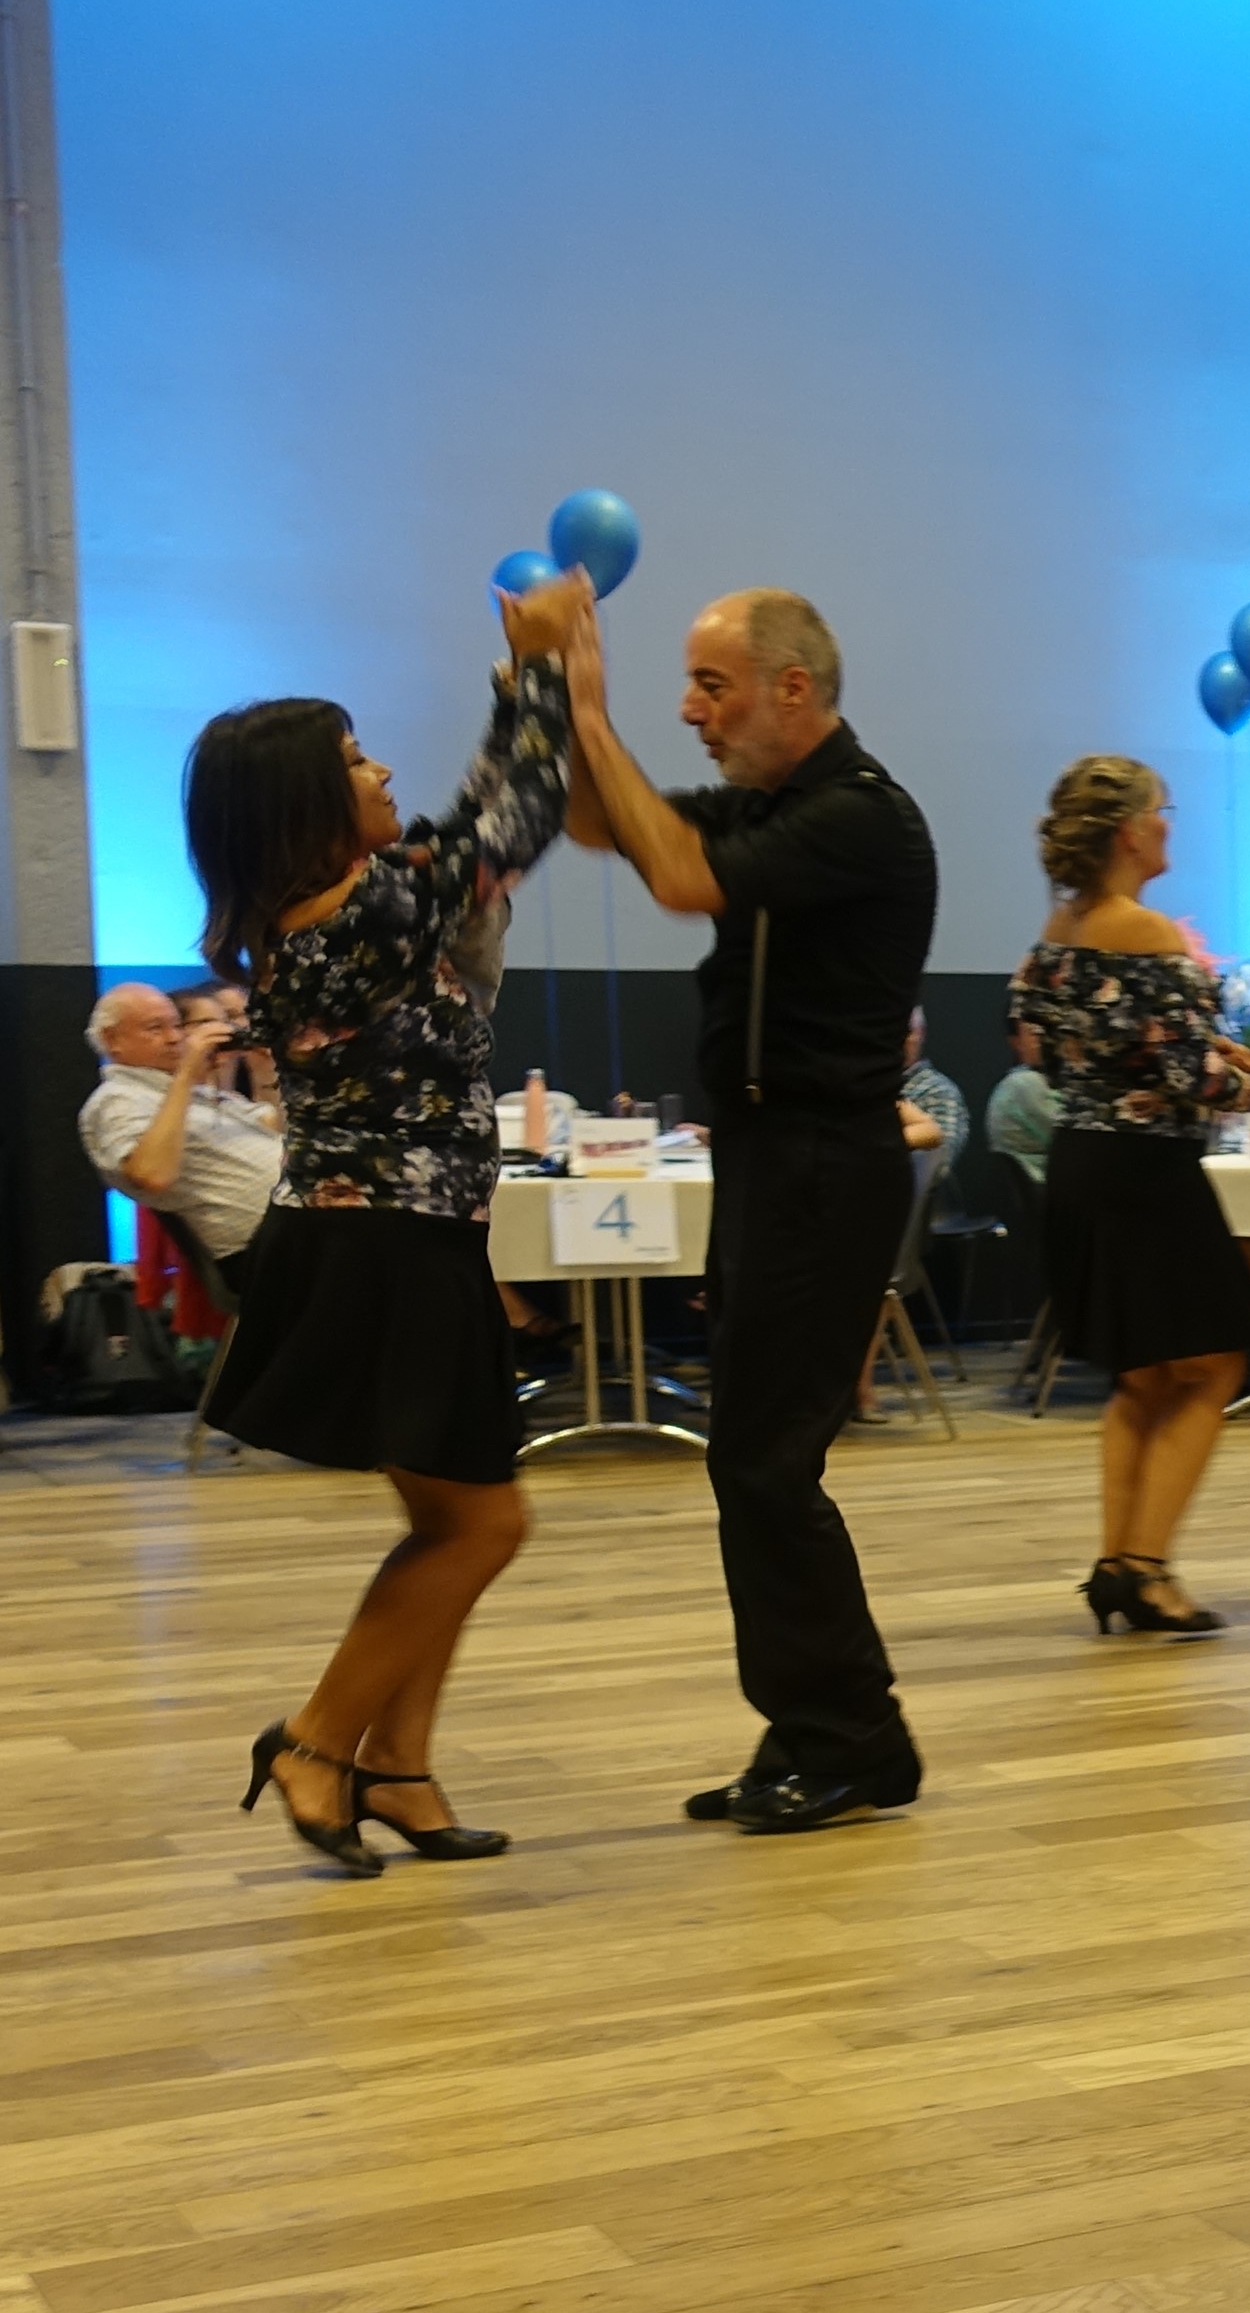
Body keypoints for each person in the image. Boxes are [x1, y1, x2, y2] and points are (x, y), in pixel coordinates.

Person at [190, 561, 601, 1871]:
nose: (381, 773)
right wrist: (543, 669)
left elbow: (473, 829)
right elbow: (510, 819)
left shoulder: (333, 912)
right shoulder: (358, 913)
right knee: (486, 1524)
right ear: (307, 807)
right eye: (357, 760)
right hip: (384, 1248)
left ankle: (400, 1769)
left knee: (447, 1525)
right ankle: (317, 1741)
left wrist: (524, 681)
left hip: (393, 1241)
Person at [568, 587, 944, 1834]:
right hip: (771, 1158)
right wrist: (543, 698)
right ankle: (812, 1728)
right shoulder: (771, 806)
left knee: (767, 1460)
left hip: (827, 1162)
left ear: (793, 687)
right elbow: (598, 818)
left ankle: (853, 1739)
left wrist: (588, 704)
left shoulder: (863, 817)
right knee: (753, 1460)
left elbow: (678, 877)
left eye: (711, 686)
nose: (691, 711)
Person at [1014, 756, 1250, 1635]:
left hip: (1081, 1163)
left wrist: (1201, 1059)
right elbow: (1198, 1080)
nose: (1169, 824)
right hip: (1145, 1175)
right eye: (1161, 810)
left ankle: (1117, 1563)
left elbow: (1047, 1045)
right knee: (1215, 1366)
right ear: (1129, 831)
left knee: (1141, 1378)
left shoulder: (1061, 925)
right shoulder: (1146, 931)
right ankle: (1145, 1569)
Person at [80, 980, 286, 1284]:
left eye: (176, 1026)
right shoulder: (115, 1100)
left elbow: (281, 1130)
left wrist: (265, 1071)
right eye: (155, 1028)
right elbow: (153, 1175)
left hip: (298, 1227)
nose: (175, 1038)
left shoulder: (195, 1094)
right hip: (264, 1248)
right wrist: (187, 1073)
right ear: (113, 1040)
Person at [985, 1023, 1059, 1187]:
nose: (1044, 1039)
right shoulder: (1024, 1083)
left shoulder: (1023, 1081)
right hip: (1046, 1187)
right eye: (1034, 1033)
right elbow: (1065, 1140)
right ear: (1016, 1042)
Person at [897, 1008, 968, 1161]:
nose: (899, 1041)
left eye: (906, 1032)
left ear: (921, 1033)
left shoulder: (938, 1090)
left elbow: (940, 1160)